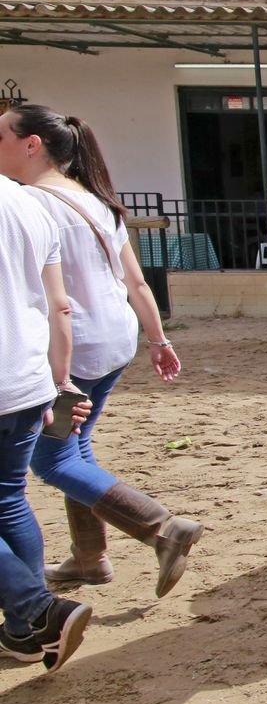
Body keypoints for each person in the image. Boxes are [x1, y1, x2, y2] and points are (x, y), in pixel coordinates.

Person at [0, 102, 201, 597]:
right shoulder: (94, 199)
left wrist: (60, 374)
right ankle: (89, 557)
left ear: (33, 145)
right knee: (76, 447)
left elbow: (58, 303)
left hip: (77, 347)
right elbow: (136, 281)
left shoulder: (32, 202)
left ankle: (160, 527)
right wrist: (158, 339)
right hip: (113, 338)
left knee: (52, 461)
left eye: (2, 135)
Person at [0, 172, 94, 674]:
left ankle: (38, 609)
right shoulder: (26, 201)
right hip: (26, 377)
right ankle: (22, 632)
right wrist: (59, 380)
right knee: (8, 497)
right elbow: (60, 305)